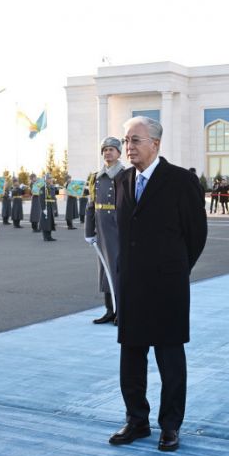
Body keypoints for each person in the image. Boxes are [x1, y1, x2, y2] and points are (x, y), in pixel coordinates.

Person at [109, 116, 207, 453]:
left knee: (170, 359)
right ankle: (136, 420)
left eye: (135, 140)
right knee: (131, 357)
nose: (128, 147)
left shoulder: (181, 181)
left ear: (155, 144)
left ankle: (170, 426)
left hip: (168, 286)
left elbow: (196, 235)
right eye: (126, 140)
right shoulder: (122, 181)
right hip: (132, 285)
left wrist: (175, 269)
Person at [85, 137, 124, 325]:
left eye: (111, 149)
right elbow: (91, 205)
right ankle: (109, 310)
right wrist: (88, 231)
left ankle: (122, 312)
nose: (108, 153)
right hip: (101, 228)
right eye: (105, 150)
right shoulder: (95, 177)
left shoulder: (126, 175)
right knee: (104, 270)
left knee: (118, 269)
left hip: (118, 228)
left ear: (119, 153)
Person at [39, 174, 57, 241]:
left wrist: (54, 208)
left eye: (51, 178)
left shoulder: (52, 188)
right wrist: (43, 209)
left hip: (51, 206)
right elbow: (41, 199)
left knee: (50, 221)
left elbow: (54, 198)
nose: (50, 180)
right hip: (46, 207)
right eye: (49, 178)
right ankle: (45, 236)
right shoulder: (42, 188)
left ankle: (49, 236)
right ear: (45, 180)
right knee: (45, 222)